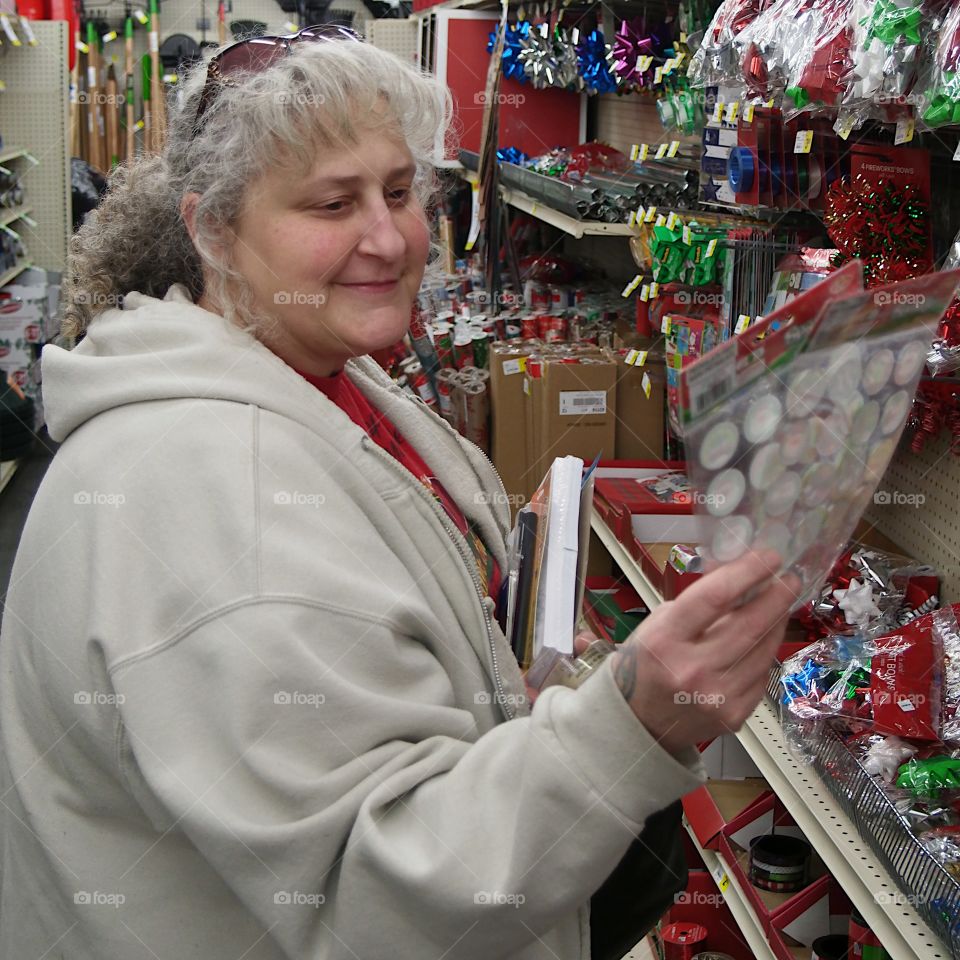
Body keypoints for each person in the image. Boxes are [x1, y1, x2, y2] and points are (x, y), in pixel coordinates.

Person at [0, 28, 797, 960]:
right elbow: (376, 900)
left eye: (399, 191)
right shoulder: (211, 491)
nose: (388, 238)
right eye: (332, 203)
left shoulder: (316, 371)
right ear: (212, 229)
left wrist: (503, 637)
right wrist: (629, 725)